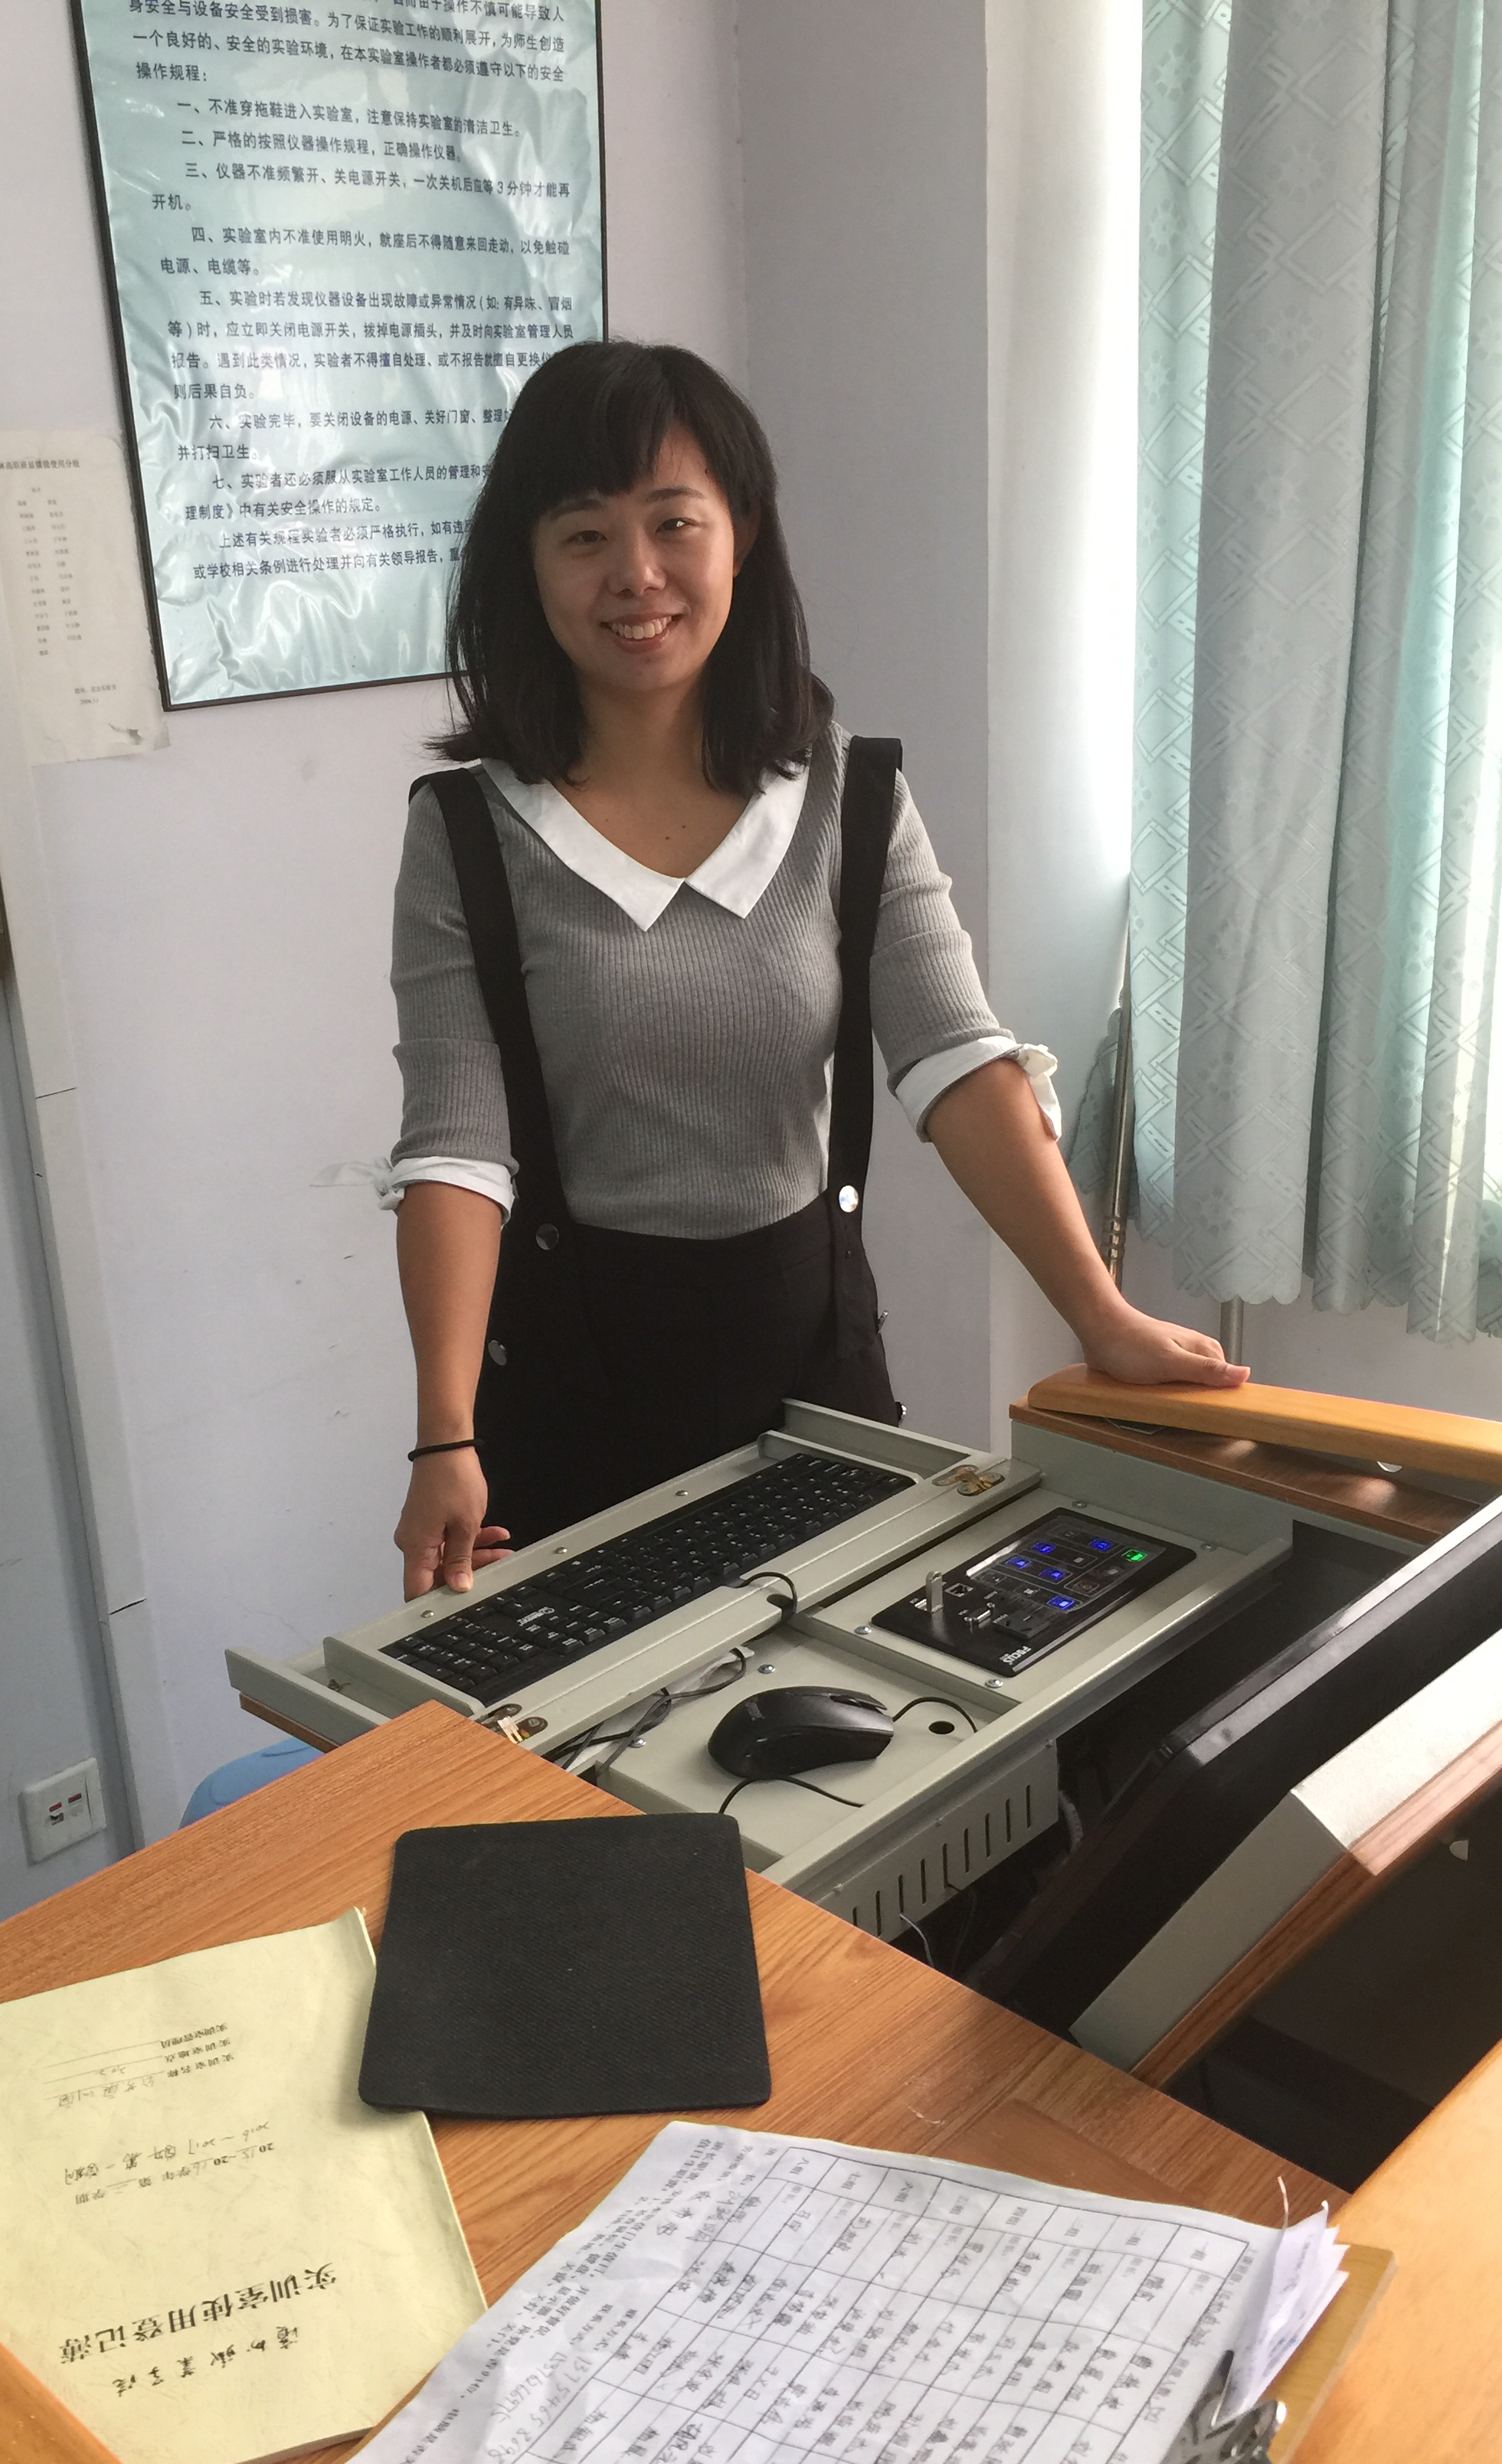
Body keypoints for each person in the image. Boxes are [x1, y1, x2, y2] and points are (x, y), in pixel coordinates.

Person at [382, 341, 1244, 1600]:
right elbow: (457, 1149)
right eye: (584, 535)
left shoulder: (846, 790)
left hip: (813, 1372)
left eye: (674, 522)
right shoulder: (468, 831)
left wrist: (1100, 1315)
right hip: (567, 1399)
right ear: (528, 564)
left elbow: (960, 1062)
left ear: (740, 534)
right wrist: (444, 1436)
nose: (637, 575)